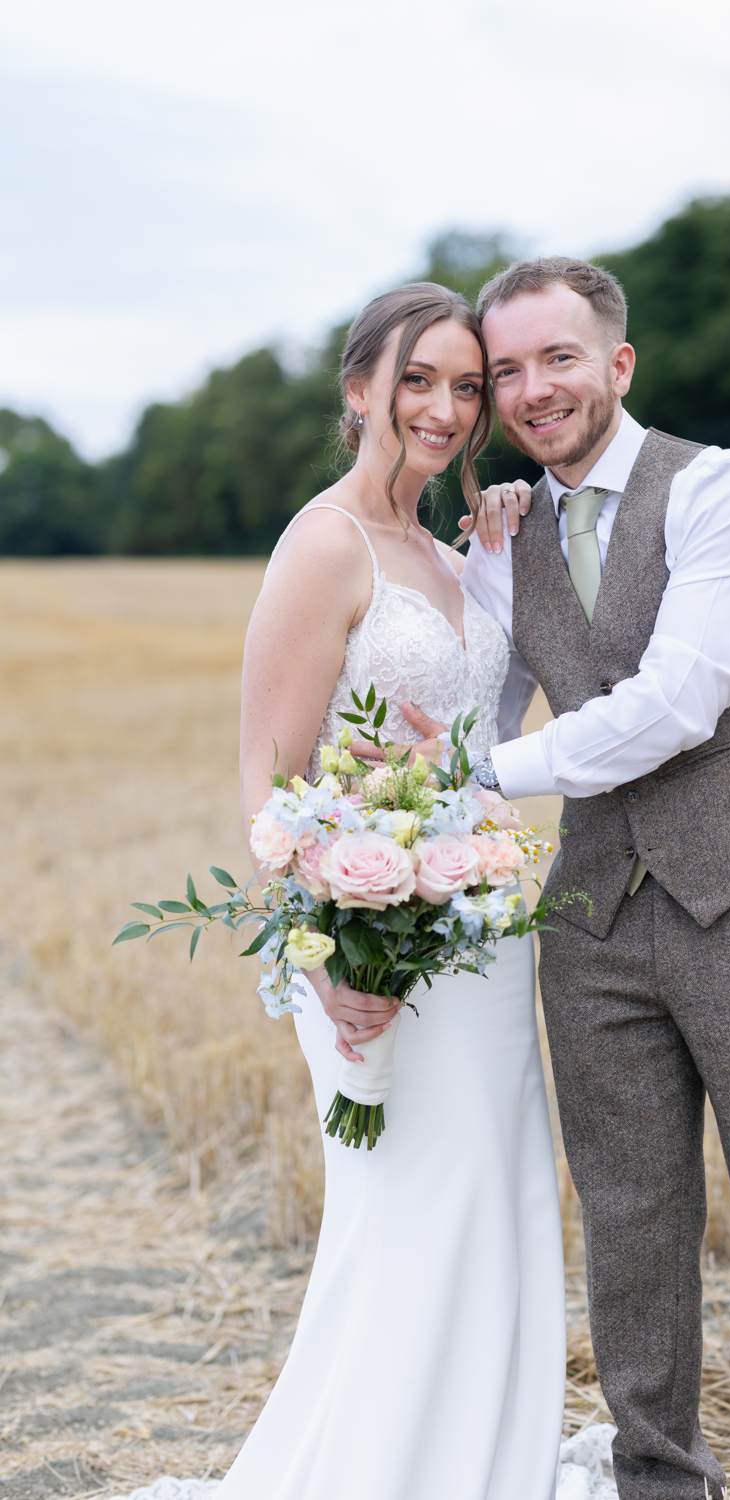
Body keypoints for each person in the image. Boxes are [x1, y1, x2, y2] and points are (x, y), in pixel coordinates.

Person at [445, 257, 730, 1500]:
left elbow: (679, 701)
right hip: (592, 916)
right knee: (630, 1220)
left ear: (618, 363)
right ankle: (658, 1477)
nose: (533, 390)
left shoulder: (721, 492)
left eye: (558, 357)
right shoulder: (504, 538)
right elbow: (467, 702)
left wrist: (497, 774)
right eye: (506, 372)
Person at [221, 283, 565, 1500]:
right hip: (373, 947)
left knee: (493, 1190)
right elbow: (270, 781)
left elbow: (475, 725)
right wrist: (326, 961)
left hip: (481, 926)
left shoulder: (451, 547)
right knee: (413, 1201)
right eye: (418, 379)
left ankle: (488, 1460)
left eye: (467, 387)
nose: (445, 407)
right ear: (360, 387)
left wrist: (510, 546)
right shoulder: (326, 543)